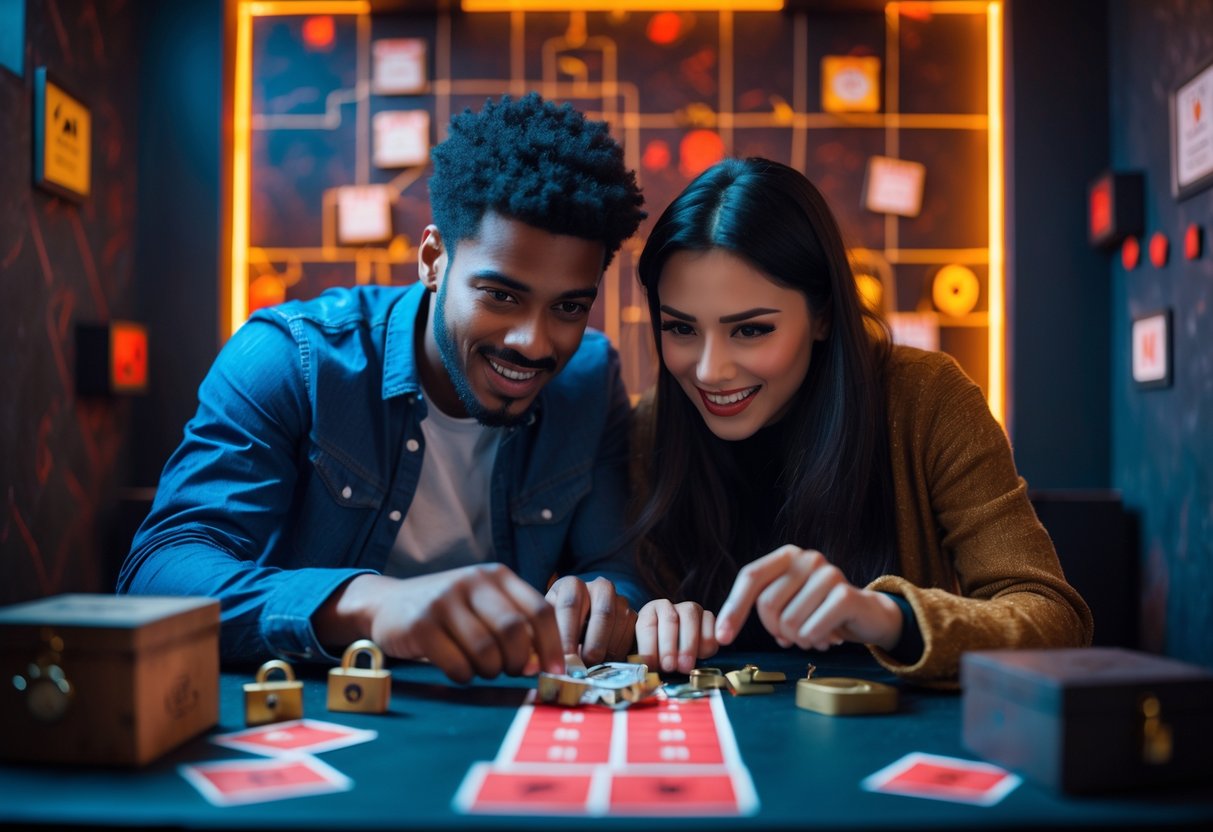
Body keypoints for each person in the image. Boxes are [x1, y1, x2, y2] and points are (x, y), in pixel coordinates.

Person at [119, 93, 647, 683]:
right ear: (432, 259)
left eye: (569, 307)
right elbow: (158, 574)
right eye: (501, 295)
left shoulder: (590, 380)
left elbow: (613, 569)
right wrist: (370, 603)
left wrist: (604, 605)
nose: (534, 342)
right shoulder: (291, 358)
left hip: (497, 725)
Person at [629, 157, 1091, 683]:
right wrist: (648, 618)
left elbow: (1055, 618)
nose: (710, 371)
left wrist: (885, 617)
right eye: (681, 329)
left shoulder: (927, 399)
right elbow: (624, 598)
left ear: (823, 314)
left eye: (751, 330)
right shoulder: (653, 423)